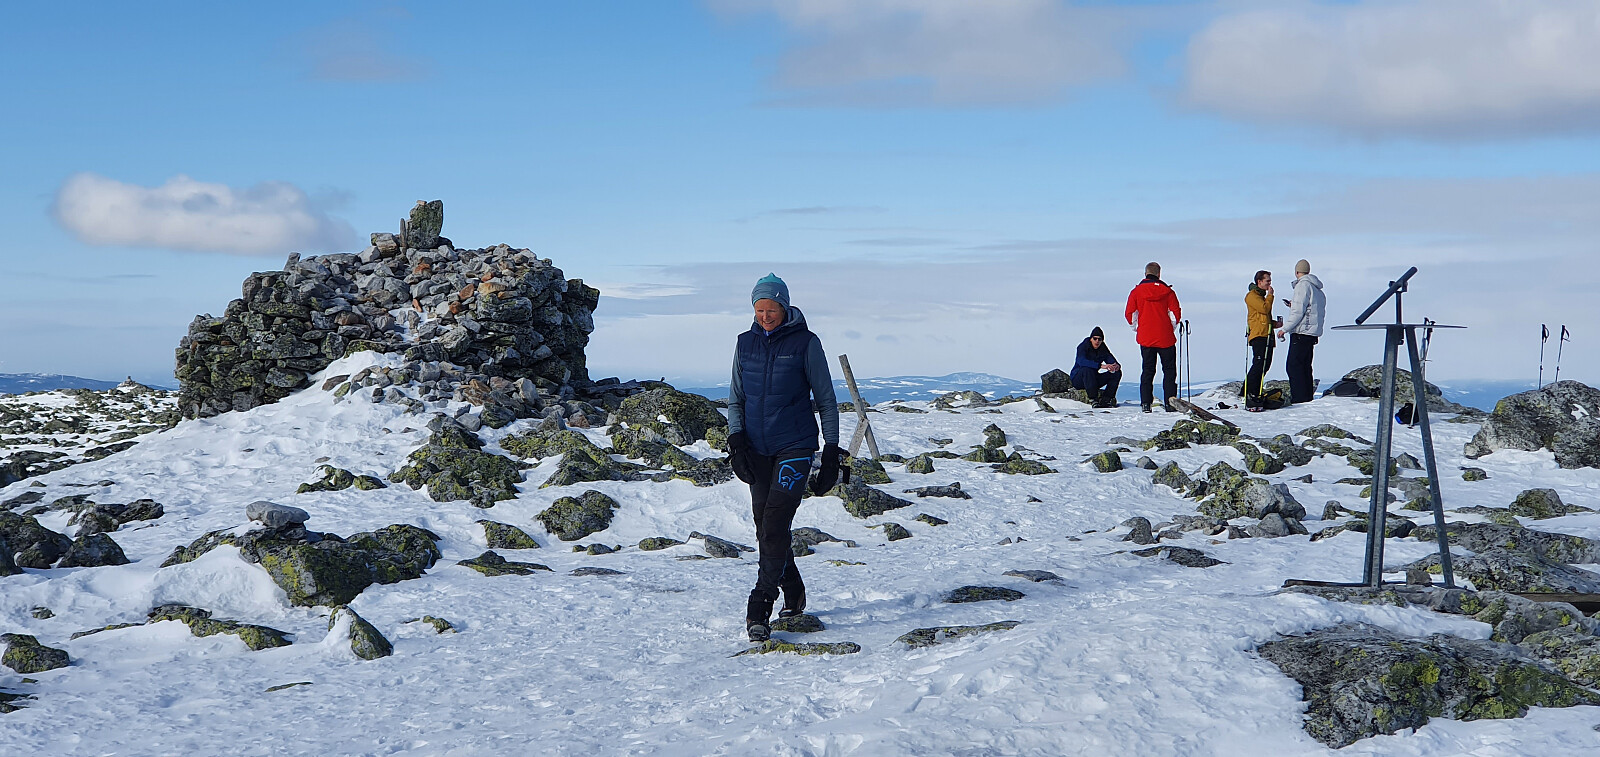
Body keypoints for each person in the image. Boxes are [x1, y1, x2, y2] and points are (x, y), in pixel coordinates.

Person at [725, 273, 842, 642]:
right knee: (765, 527)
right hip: (756, 449)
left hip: (795, 446)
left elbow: (826, 401)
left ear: (785, 307)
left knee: (775, 525)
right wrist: (736, 441)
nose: (765, 316)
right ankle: (793, 588)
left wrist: (832, 452)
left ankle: (760, 605)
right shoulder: (744, 343)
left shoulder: (806, 343)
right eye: (759, 310)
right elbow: (736, 399)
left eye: (771, 310)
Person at [1125, 262, 1182, 412]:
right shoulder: (1168, 292)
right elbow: (1175, 314)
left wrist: (1138, 329)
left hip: (1146, 337)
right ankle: (1170, 403)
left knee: (1148, 370)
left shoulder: (1136, 292)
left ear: (1146, 274)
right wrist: (1169, 328)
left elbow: (1130, 314)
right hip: (1165, 337)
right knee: (1169, 370)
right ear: (1159, 274)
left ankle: (1146, 403)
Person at [1277, 259, 1326, 404]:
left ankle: (1299, 398)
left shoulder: (1302, 286)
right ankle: (1307, 397)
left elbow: (1298, 312)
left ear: (1297, 272)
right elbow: (1311, 309)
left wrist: (1284, 329)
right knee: (1305, 366)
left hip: (1301, 332)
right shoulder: (1317, 289)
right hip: (1312, 333)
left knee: (1293, 366)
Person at [1244, 270, 1281, 412]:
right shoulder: (1252, 296)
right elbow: (1264, 309)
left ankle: (1254, 392)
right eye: (1267, 281)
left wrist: (1275, 324)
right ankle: (1249, 392)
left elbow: (1263, 317)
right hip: (1259, 335)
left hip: (1266, 334)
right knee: (1259, 364)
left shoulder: (1261, 296)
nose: (1269, 284)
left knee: (1265, 365)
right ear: (1259, 282)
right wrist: (1271, 296)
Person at [1070, 327, 1121, 408]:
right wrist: (1100, 366)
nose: (1097, 341)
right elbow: (1081, 361)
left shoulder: (1103, 348)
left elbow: (1110, 359)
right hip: (1079, 379)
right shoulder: (1083, 346)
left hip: (1093, 380)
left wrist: (1116, 366)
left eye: (1099, 339)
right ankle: (1093, 399)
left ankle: (1106, 399)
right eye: (1095, 338)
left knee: (1116, 373)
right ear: (1091, 339)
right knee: (1087, 369)